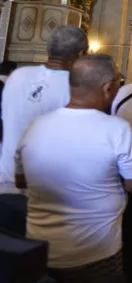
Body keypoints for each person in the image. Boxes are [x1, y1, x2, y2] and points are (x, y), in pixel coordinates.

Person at [15, 54, 132, 283]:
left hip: (38, 249)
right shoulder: (115, 129)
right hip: (94, 253)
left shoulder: (37, 124)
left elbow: (21, 180)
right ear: (108, 87)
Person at [0, 25, 88, 194]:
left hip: (5, 177)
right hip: (45, 188)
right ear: (80, 53)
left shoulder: (17, 75)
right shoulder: (74, 87)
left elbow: (4, 124)